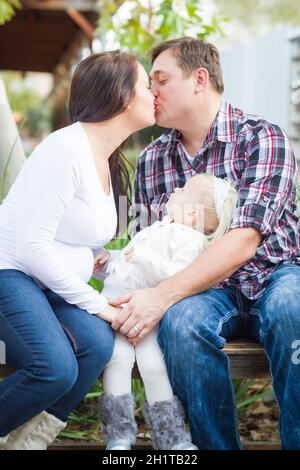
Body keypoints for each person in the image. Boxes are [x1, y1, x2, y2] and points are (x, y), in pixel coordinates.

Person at [110, 37, 300, 449]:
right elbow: (148, 244)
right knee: (182, 324)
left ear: (200, 79)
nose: (150, 92)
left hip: (273, 273)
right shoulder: (152, 161)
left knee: (292, 308)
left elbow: (246, 239)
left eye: (160, 80)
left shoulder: (263, 139)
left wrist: (160, 296)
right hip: (205, 290)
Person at [0, 51, 155, 450]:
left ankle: (24, 444)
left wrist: (109, 264)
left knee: (97, 344)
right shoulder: (65, 148)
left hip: (46, 283)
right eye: (146, 85)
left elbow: (75, 235)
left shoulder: (106, 158)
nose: (154, 93)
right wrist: (102, 306)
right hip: (10, 269)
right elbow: (32, 246)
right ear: (123, 97)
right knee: (52, 367)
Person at [93, 173, 237, 450]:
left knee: (153, 364)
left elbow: (177, 276)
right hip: (116, 308)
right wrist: (107, 265)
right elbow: (127, 264)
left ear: (193, 215)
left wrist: (143, 257)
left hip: (148, 316)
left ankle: (170, 437)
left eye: (182, 190)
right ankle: (118, 435)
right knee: (117, 360)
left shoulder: (191, 242)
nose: (176, 190)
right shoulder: (157, 228)